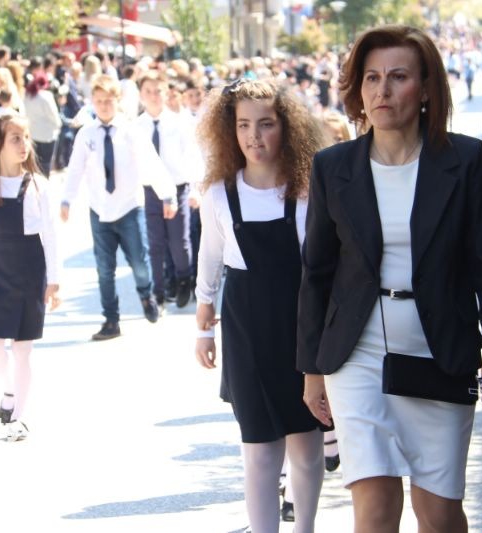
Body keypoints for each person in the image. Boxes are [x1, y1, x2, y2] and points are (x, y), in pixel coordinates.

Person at [297, 26, 482, 532]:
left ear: (425, 88)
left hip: (440, 352)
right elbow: (317, 273)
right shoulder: (333, 166)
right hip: (358, 356)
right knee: (374, 508)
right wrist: (312, 369)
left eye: (398, 77)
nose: (383, 90)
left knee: (438, 514)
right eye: (371, 77)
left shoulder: (464, 161)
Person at [195, 79, 326, 533]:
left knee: (306, 446)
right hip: (245, 327)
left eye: (266, 124)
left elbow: (324, 268)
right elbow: (210, 258)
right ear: (228, 131)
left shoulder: (307, 191)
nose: (254, 136)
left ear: (286, 127)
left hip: (301, 326)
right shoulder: (219, 194)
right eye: (244, 125)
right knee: (258, 448)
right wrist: (203, 325)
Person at [0, 113, 61, 441]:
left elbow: (51, 235)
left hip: (30, 267)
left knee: (22, 349)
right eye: (15, 138)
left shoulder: (38, 185)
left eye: (26, 137)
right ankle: (9, 389)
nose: (24, 144)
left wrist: (54, 280)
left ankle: (18, 416)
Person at [60, 74, 176, 341]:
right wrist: (67, 199)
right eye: (99, 101)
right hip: (99, 210)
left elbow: (151, 163)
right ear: (92, 101)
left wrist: (167, 195)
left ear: (117, 101)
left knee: (139, 262)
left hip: (129, 207)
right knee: (104, 269)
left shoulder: (130, 131)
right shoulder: (86, 134)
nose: (103, 105)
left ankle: (146, 295)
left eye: (108, 100)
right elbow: (75, 169)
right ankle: (111, 319)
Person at [136, 71, 202, 309]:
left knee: (179, 241)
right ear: (141, 95)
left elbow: (192, 156)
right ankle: (159, 289)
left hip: (178, 187)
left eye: (158, 91)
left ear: (166, 93)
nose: (153, 96)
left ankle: (184, 279)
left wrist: (195, 189)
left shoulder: (179, 123)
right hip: (149, 191)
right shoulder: (136, 126)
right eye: (148, 91)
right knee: (154, 243)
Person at [24, 72, 61, 178]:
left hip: (32, 133)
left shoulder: (27, 96)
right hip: (47, 135)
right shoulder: (46, 96)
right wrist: (58, 126)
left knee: (34, 163)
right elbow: (53, 115)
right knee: (45, 163)